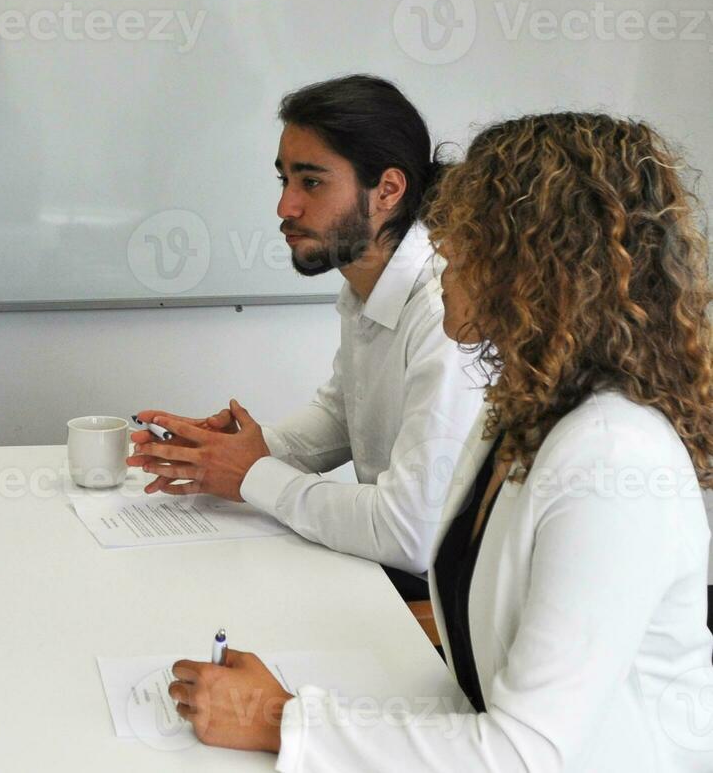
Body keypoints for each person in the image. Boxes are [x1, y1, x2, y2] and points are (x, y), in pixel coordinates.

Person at [168, 113, 713, 768]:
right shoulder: (524, 409)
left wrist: (283, 721)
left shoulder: (610, 457)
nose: (439, 265)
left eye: (456, 249)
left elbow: (523, 753)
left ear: (534, 267)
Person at [130, 75, 483, 598]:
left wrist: (253, 475)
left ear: (388, 189)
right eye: (284, 181)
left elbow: (410, 532)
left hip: (438, 603)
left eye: (311, 182)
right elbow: (345, 417)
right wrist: (223, 453)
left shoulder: (443, 310)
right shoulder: (367, 284)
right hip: (387, 576)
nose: (285, 208)